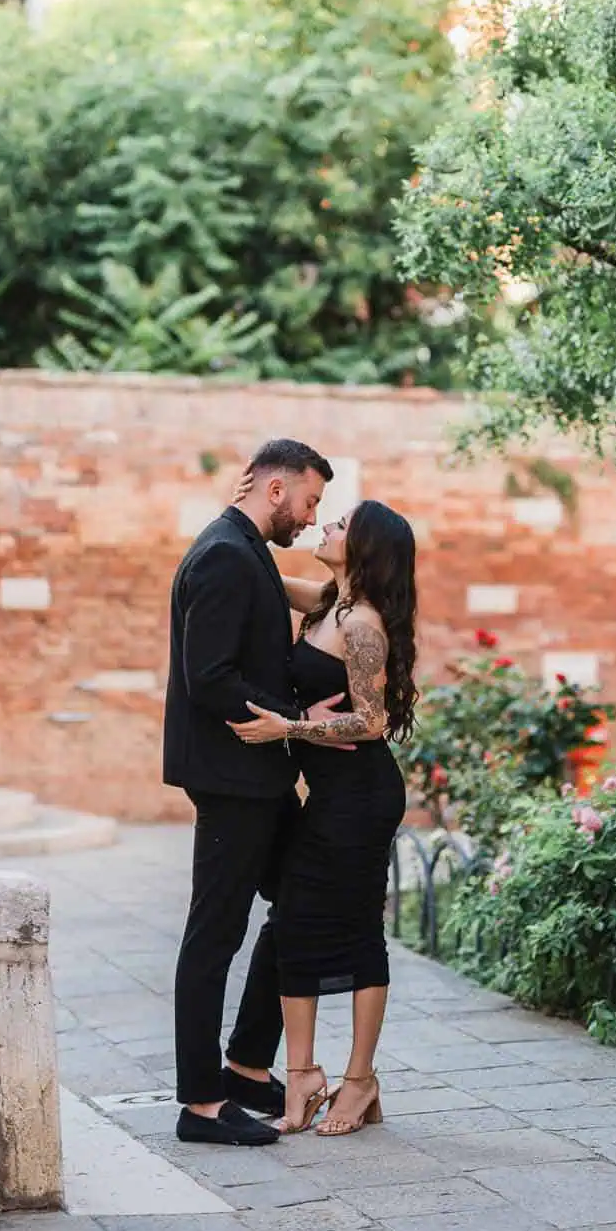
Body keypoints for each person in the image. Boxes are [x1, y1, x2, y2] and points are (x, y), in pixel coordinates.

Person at [165, 438, 348, 1147]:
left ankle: (245, 1066)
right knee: (213, 935)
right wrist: (296, 720)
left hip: (260, 776)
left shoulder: (247, 552)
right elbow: (208, 677)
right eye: (309, 501)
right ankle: (200, 1105)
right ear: (276, 490)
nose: (311, 518)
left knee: (303, 900)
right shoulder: (222, 554)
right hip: (231, 778)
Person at [229, 498, 417, 1137]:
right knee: (296, 924)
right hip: (332, 795)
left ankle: (359, 1082)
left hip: (362, 798)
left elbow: (372, 722)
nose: (325, 526)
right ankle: (304, 1075)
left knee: (354, 928)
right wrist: (240, 525)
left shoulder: (361, 624)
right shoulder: (329, 602)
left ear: (363, 547)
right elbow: (260, 570)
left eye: (339, 525)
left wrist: (290, 727)